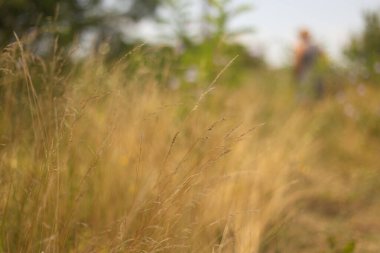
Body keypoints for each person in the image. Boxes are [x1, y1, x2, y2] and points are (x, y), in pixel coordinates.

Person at [294, 29, 324, 102]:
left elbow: (298, 62)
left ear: (301, 36)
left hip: (305, 74)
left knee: (305, 95)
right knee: (317, 95)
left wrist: (296, 73)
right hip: (316, 74)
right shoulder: (315, 47)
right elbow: (322, 57)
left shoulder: (300, 47)